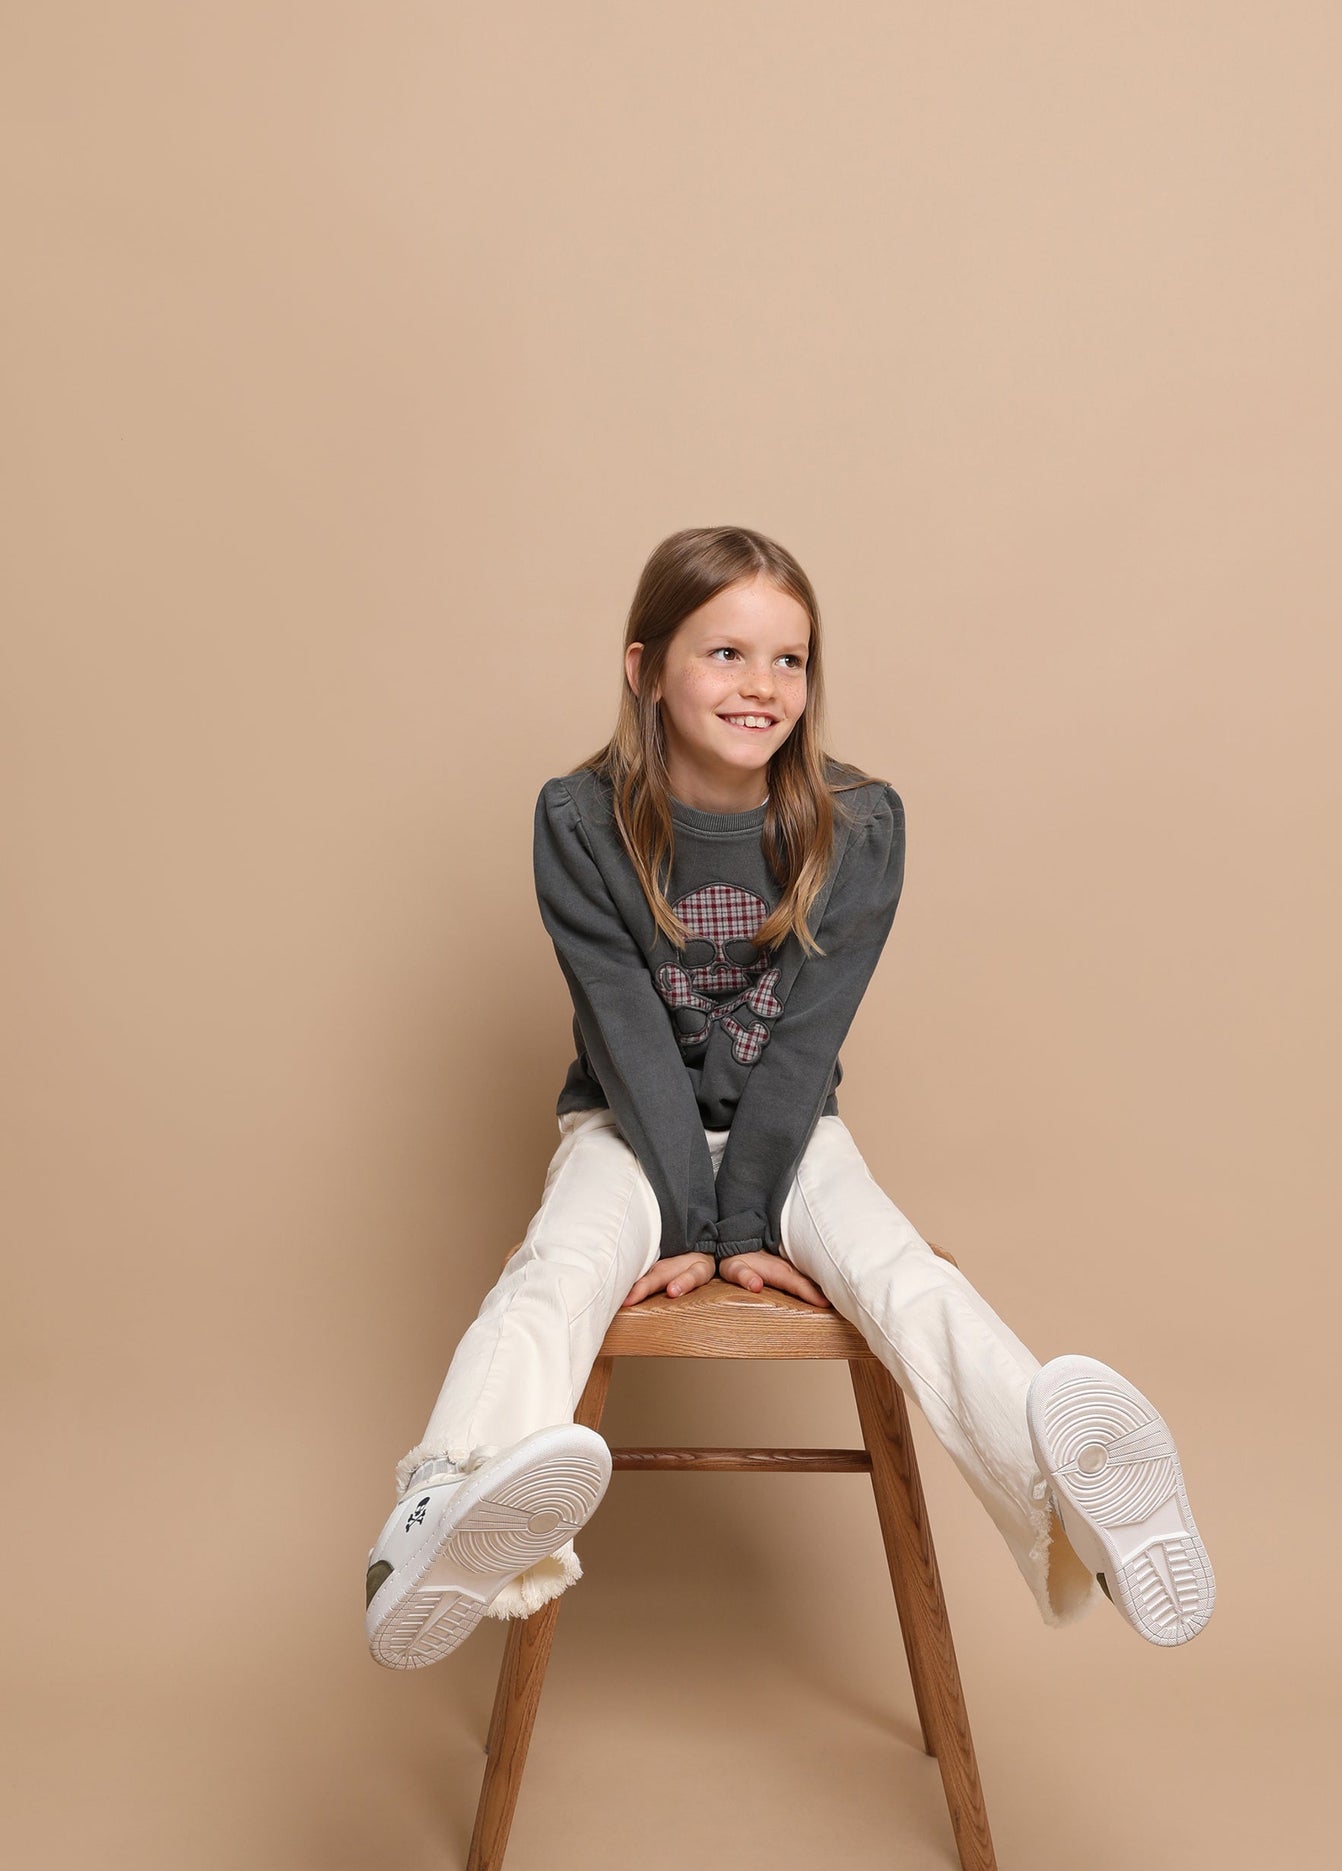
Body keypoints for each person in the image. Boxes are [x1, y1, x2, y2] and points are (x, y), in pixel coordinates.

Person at [364, 525, 1215, 1672]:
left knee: (897, 1270)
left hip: (790, 1130)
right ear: (643, 667)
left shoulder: (860, 825)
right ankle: (444, 1507)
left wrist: (747, 1216)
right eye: (725, 653)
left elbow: (804, 1046)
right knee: (557, 1268)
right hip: (628, 1131)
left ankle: (1075, 1497)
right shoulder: (577, 820)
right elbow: (628, 1039)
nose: (761, 686)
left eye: (789, 660)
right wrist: (699, 1227)